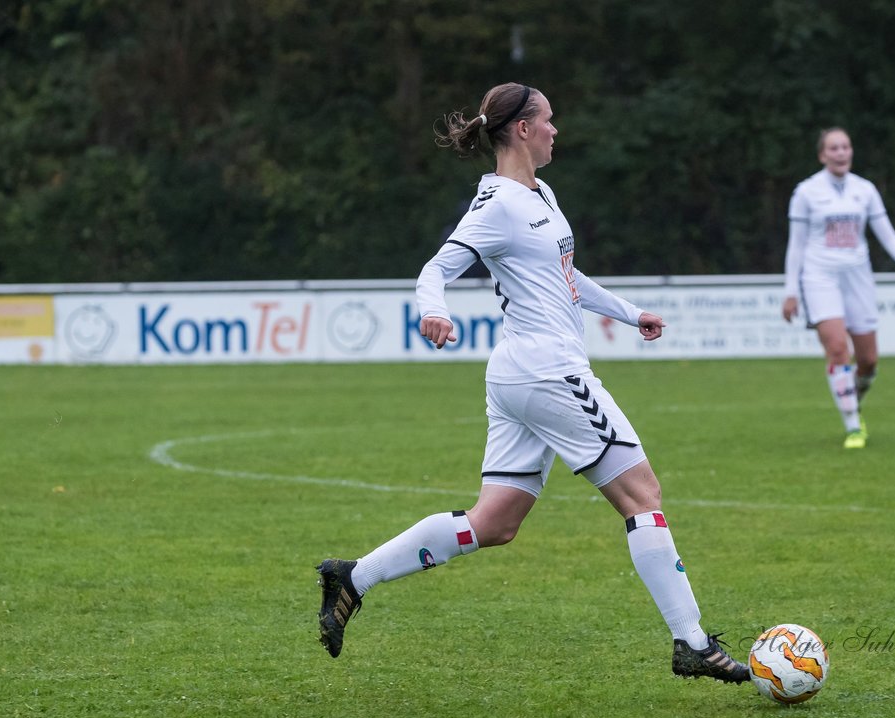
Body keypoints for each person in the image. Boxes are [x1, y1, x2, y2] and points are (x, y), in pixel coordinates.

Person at [315, 82, 749, 686]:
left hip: (521, 373)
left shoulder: (540, 194)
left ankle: (352, 577)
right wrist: (431, 310)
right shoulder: (497, 205)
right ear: (522, 129)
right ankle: (692, 643)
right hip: (548, 371)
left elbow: (566, 277)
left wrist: (629, 313)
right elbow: (436, 267)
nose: (555, 130)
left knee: (494, 522)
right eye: (548, 121)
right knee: (642, 495)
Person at [781, 127, 895, 449]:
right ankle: (853, 425)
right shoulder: (806, 192)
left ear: (851, 152)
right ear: (822, 155)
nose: (841, 153)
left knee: (868, 360)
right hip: (820, 277)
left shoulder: (865, 190)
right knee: (837, 349)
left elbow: (885, 232)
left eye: (845, 147)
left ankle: (851, 396)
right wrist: (791, 290)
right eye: (834, 148)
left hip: (858, 277)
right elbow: (797, 245)